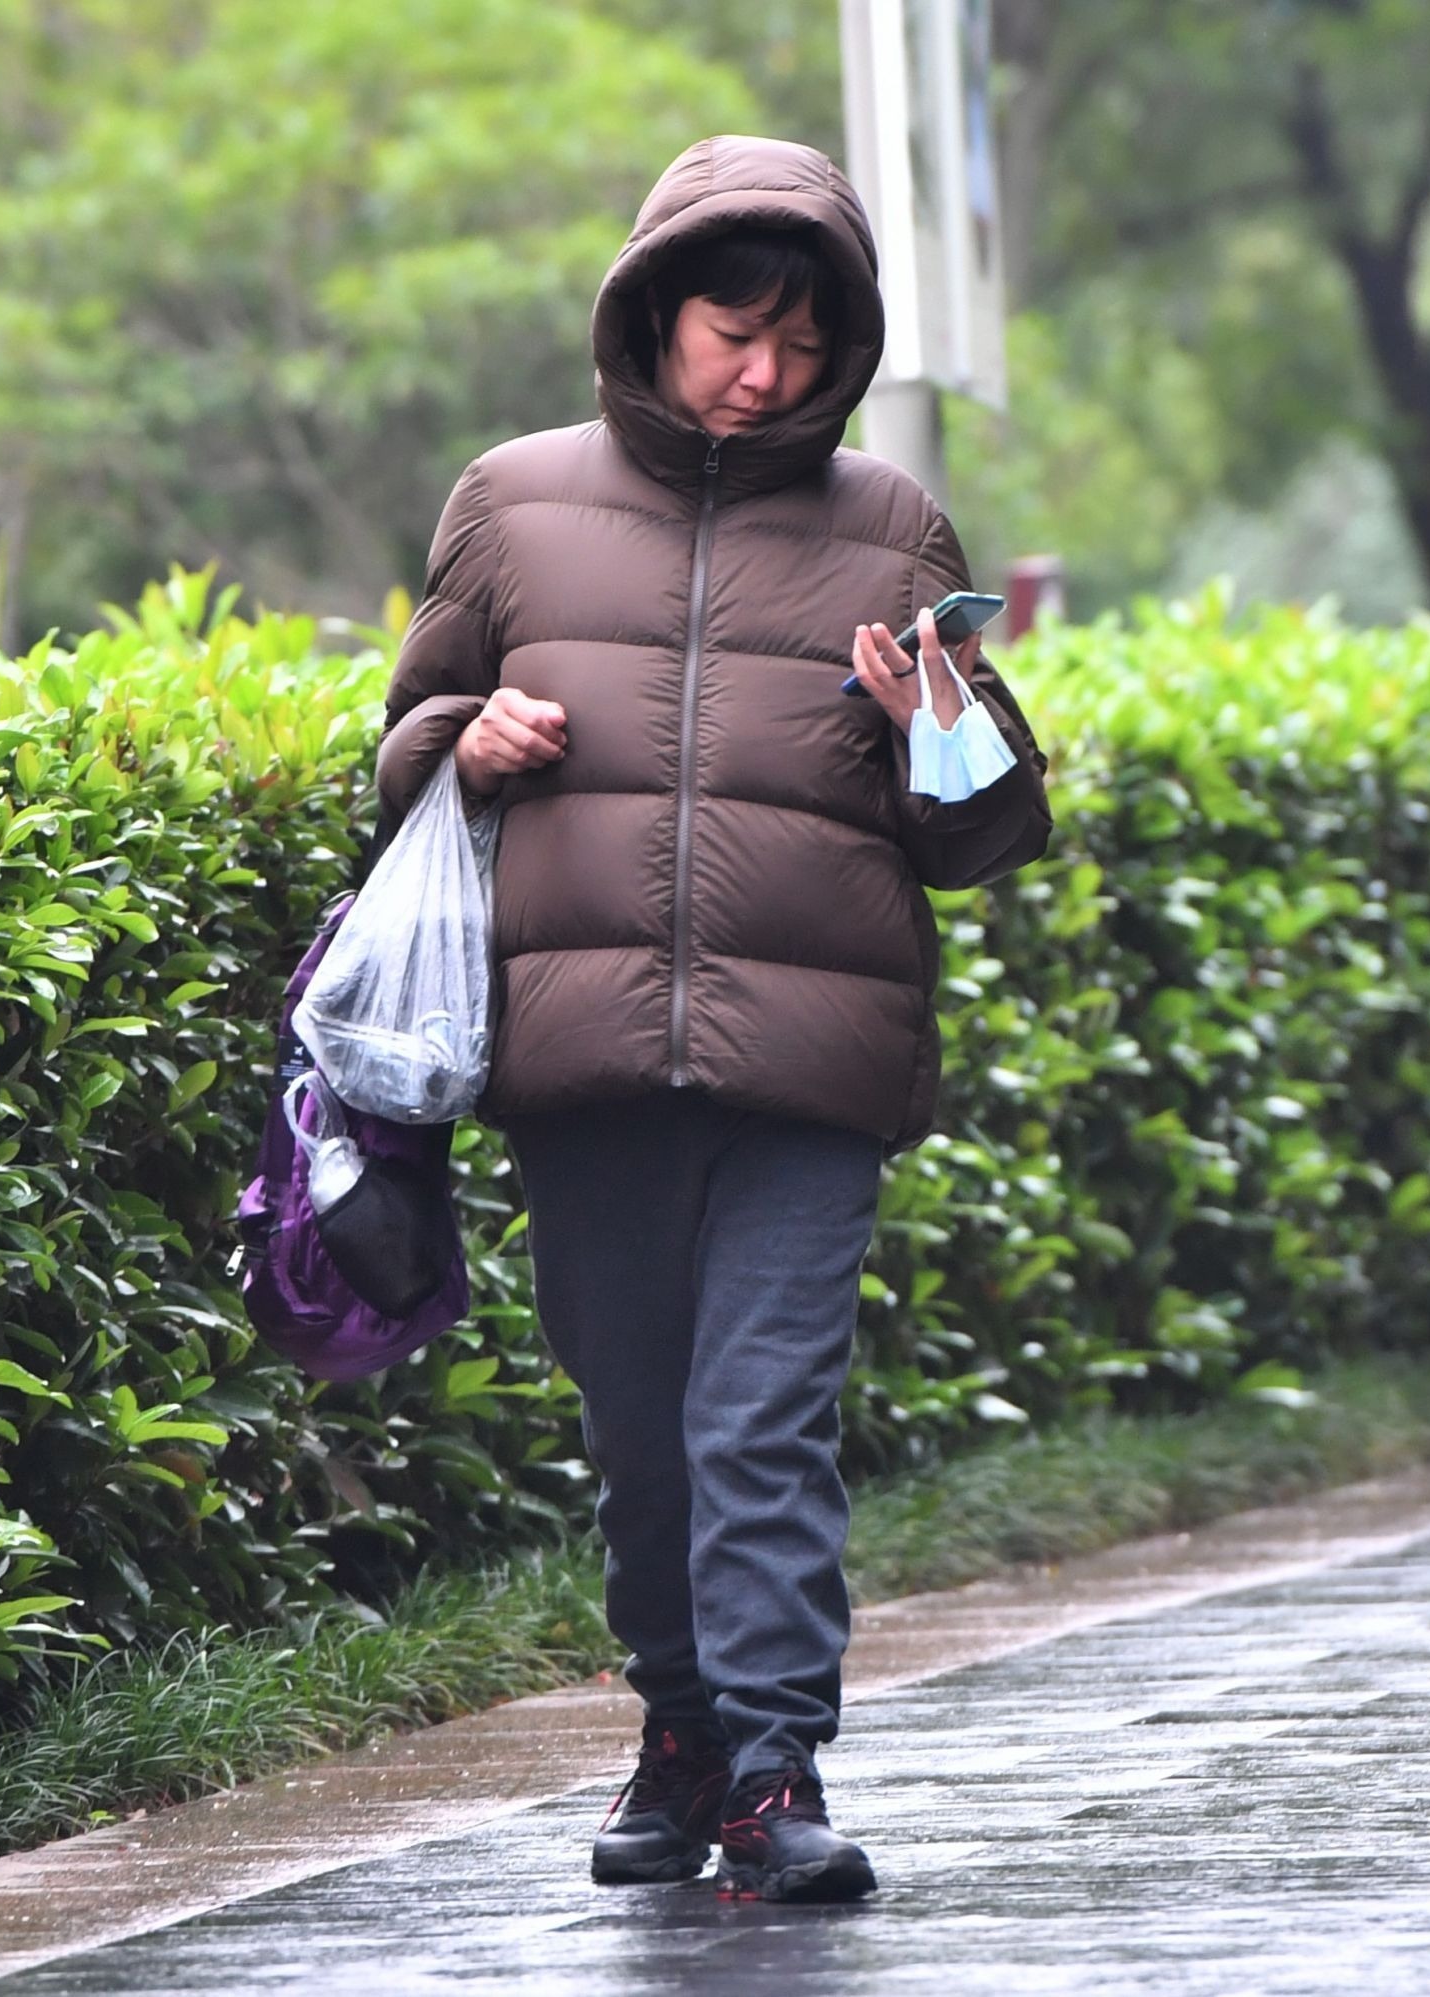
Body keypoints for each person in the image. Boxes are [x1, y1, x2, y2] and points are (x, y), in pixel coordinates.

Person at [373, 134, 1052, 1904]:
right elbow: (400, 754)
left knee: (760, 1418)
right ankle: (679, 1728)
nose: (765, 374)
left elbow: (985, 832)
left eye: (803, 346)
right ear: (656, 313)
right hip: (583, 1053)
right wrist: (465, 744)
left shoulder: (890, 528)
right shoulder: (510, 503)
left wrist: (935, 721)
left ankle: (771, 1767)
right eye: (736, 335)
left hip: (810, 1066)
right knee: (639, 1428)